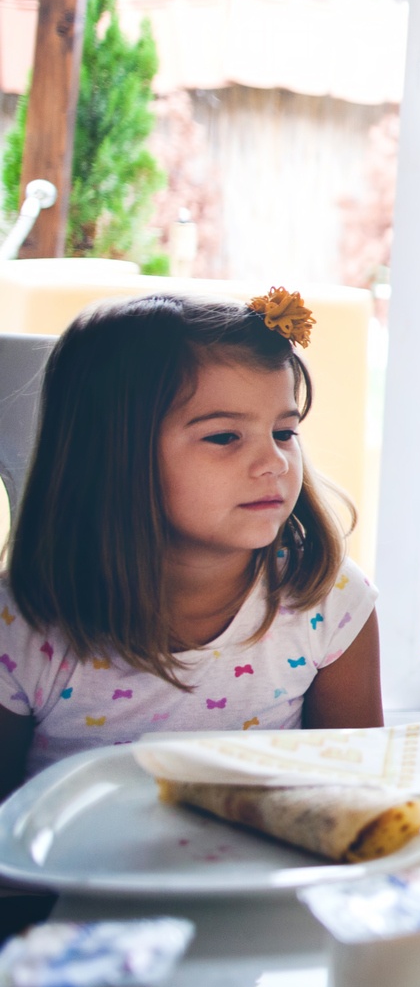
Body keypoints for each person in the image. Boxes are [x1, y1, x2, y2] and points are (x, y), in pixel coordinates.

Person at [0, 290, 382, 797]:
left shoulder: (328, 602)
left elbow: (357, 796)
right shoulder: (22, 625)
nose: (275, 462)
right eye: (224, 437)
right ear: (112, 455)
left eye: (284, 432)